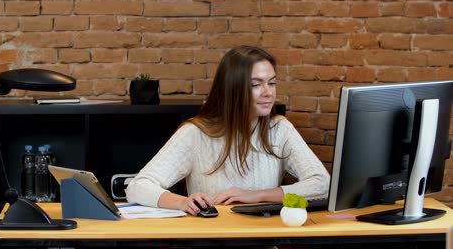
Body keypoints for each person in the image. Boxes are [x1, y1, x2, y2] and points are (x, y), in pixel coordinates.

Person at [126, 46, 330, 216]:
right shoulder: (196, 134)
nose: (268, 93)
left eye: (272, 83)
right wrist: (182, 202)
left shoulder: (279, 129)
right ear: (233, 90)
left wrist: (258, 196)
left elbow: (322, 184)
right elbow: (138, 187)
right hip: (212, 242)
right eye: (256, 85)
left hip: (264, 241)